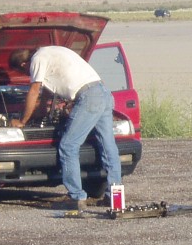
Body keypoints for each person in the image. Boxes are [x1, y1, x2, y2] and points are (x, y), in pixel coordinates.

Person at [9, 46, 122, 209]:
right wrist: (40, 112)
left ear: (23, 64)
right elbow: (47, 93)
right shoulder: (51, 52)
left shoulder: (37, 59)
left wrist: (22, 121)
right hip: (103, 92)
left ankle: (76, 197)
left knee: (68, 146)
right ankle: (114, 197)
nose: (29, 74)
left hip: (89, 97)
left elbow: (34, 91)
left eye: (26, 72)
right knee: (108, 146)